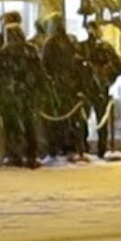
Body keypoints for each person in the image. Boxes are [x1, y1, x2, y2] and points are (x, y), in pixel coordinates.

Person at [0, 23, 42, 168]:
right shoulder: (31, 50)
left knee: (12, 125)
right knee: (29, 124)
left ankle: (15, 155)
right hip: (28, 92)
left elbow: (0, 74)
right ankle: (31, 155)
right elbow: (38, 72)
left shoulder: (3, 52)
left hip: (11, 93)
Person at [41, 14, 87, 161]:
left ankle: (58, 146)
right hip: (70, 86)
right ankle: (72, 145)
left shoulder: (50, 43)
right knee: (71, 117)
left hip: (56, 86)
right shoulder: (68, 41)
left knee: (57, 118)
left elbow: (45, 65)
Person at [81, 21, 121, 158]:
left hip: (99, 88)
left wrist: (106, 77)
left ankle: (102, 148)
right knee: (84, 120)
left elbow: (118, 66)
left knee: (101, 119)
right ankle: (84, 148)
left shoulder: (105, 48)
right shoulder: (83, 47)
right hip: (87, 88)